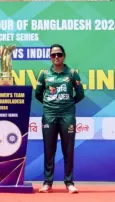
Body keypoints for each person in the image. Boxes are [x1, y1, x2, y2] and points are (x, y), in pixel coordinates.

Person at [35, 44, 84, 194]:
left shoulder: (72, 73)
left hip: (67, 116)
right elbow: (38, 94)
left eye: (59, 54)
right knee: (49, 150)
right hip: (49, 115)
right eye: (53, 55)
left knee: (68, 150)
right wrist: (51, 105)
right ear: (50, 57)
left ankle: (69, 182)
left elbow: (80, 94)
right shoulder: (44, 74)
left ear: (64, 56)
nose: (56, 57)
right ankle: (47, 183)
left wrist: (68, 105)